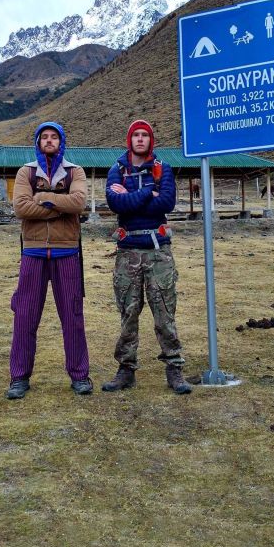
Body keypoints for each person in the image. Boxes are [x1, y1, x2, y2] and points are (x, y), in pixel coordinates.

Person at [103, 120, 191, 395]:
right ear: (129, 140)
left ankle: (174, 368)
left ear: (150, 140)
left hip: (158, 250)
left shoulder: (163, 168)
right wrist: (145, 192)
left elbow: (166, 203)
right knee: (128, 312)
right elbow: (116, 204)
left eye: (145, 135)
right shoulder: (116, 170)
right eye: (136, 135)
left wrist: (132, 196)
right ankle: (126, 370)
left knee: (164, 311)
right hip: (128, 250)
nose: (140, 139)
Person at [6, 122, 92, 398]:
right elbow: (21, 207)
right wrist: (59, 207)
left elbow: (78, 203)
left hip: (67, 252)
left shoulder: (75, 171)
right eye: (44, 137)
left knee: (73, 317)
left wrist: (42, 198)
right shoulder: (25, 172)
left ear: (61, 141)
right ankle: (19, 377)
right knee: (25, 316)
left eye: (54, 137)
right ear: (38, 142)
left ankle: (80, 375)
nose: (49, 141)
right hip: (33, 252)